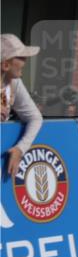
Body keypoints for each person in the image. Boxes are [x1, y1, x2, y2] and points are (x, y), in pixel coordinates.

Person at [1, 34, 42, 179]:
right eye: (21, 57)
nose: (26, 60)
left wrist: (20, 149)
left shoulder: (14, 83)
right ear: (5, 65)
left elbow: (35, 118)